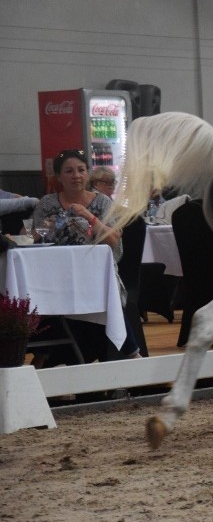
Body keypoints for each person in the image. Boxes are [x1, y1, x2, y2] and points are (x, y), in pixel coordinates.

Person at [31, 149, 140, 364]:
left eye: (81, 170)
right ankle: (46, 356)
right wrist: (41, 228)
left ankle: (133, 355)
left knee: (99, 294)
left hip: (96, 275)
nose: (76, 175)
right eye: (69, 171)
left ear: (88, 174)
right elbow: (29, 237)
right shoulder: (47, 203)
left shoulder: (103, 203)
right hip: (55, 277)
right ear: (59, 176)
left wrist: (89, 216)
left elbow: (114, 240)